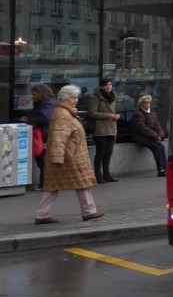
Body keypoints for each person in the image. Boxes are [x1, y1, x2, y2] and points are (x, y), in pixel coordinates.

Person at [34, 84, 104, 224]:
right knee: (78, 183)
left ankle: (43, 215)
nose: (76, 100)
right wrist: (57, 157)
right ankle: (88, 211)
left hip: (70, 155)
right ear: (65, 99)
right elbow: (59, 137)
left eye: (76, 97)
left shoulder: (66, 112)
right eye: (73, 97)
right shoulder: (63, 114)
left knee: (56, 186)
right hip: (69, 157)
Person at [19, 84, 56, 190]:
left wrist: (28, 120)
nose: (33, 97)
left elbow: (44, 118)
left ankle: (45, 183)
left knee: (43, 160)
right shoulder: (43, 103)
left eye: (34, 94)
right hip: (42, 134)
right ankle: (43, 183)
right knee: (41, 160)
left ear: (41, 94)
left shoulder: (48, 104)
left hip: (44, 135)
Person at [89, 78, 121, 183]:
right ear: (101, 86)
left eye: (110, 84)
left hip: (111, 128)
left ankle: (107, 174)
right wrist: (108, 115)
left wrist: (117, 115)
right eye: (106, 85)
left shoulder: (113, 97)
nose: (108, 87)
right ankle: (98, 175)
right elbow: (92, 113)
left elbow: (114, 110)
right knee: (101, 152)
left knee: (108, 152)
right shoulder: (96, 97)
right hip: (100, 129)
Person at [130, 94, 168, 177]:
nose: (147, 104)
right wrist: (156, 136)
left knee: (162, 147)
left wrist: (160, 135)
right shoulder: (138, 114)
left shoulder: (152, 113)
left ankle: (165, 169)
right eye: (145, 103)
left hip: (150, 137)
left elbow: (157, 125)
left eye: (149, 102)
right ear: (141, 104)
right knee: (157, 147)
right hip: (140, 137)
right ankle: (160, 170)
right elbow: (142, 129)